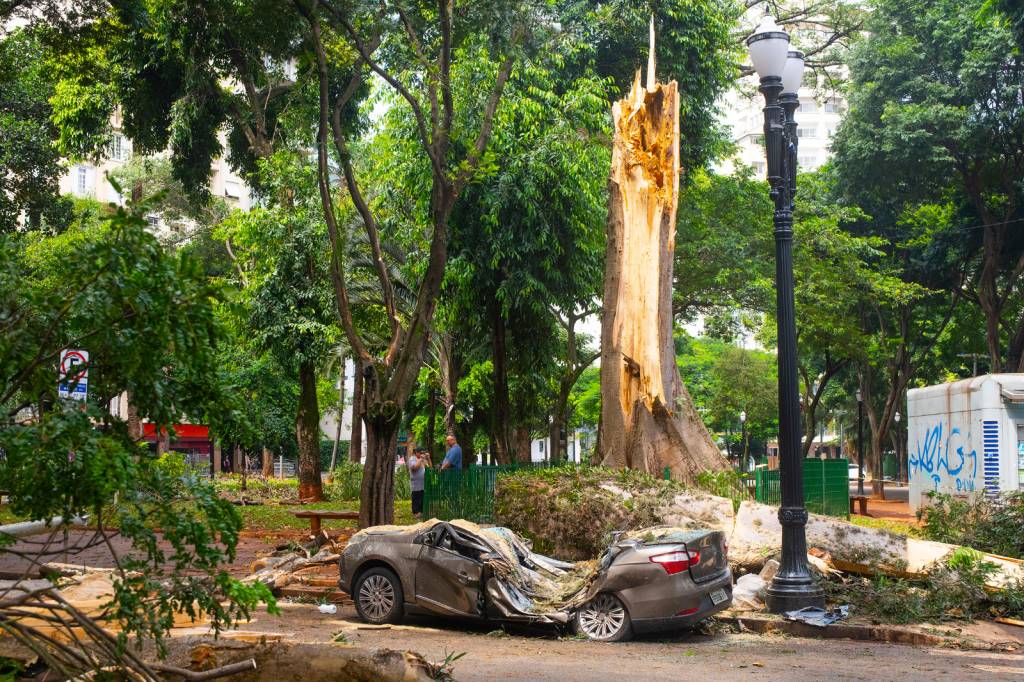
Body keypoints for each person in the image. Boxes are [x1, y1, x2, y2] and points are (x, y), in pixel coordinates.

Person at [407, 448, 430, 518]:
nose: (421, 454)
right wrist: (420, 459)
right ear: (416, 452)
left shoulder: (422, 459)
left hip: (423, 483)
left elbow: (430, 467)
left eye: (422, 453)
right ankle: (416, 513)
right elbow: (414, 468)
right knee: (416, 498)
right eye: (420, 453)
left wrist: (428, 459)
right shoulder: (412, 459)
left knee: (422, 498)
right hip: (416, 484)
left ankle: (421, 513)